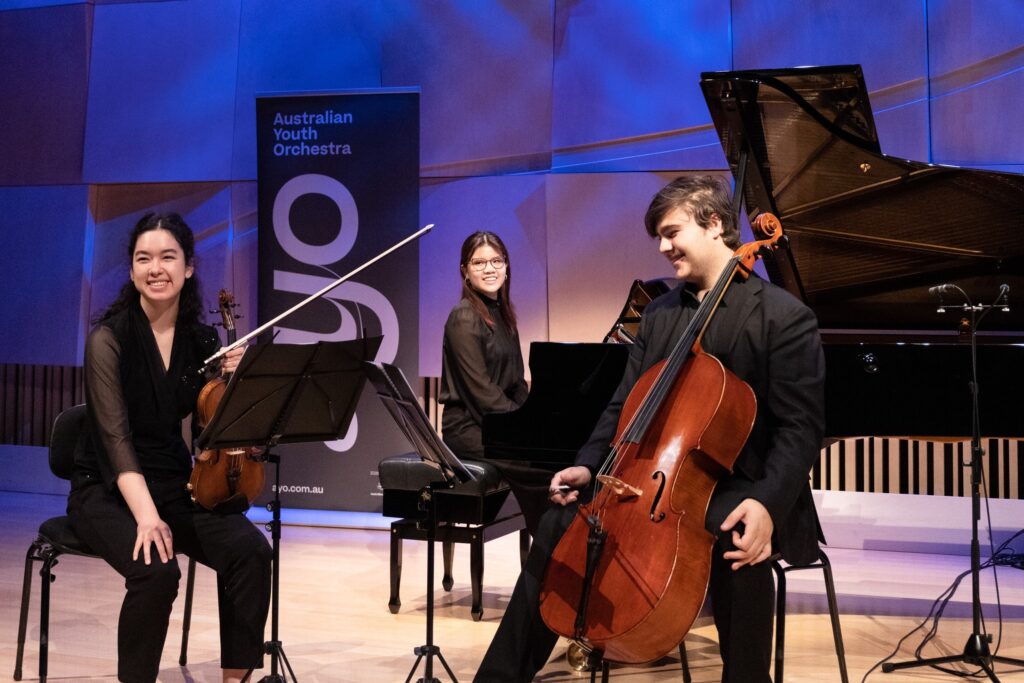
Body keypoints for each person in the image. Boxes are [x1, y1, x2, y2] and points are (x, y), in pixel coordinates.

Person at [474, 176, 826, 683]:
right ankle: (500, 677)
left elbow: (801, 428)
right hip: (658, 483)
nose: (662, 247)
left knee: (736, 544)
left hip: (746, 485)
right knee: (559, 524)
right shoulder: (660, 315)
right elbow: (622, 406)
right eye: (658, 236)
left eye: (671, 232)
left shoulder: (784, 316)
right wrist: (588, 464)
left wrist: (769, 503)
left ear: (715, 224)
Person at [67, 213, 272, 683]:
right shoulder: (108, 339)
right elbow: (114, 439)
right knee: (157, 573)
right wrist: (145, 515)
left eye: (167, 257)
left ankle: (235, 678)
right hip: (106, 489)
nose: (155, 268)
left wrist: (237, 383)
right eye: (144, 258)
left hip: (173, 483)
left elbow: (217, 433)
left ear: (189, 268)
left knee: (249, 549)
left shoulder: (203, 341)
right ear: (132, 269)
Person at [439, 231, 552, 533]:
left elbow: (517, 384)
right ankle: (548, 548)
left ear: (506, 266)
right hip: (467, 427)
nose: (489, 269)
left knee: (555, 455)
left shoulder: (503, 315)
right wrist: (521, 430)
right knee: (539, 468)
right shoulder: (463, 317)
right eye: (479, 263)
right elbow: (481, 393)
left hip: (497, 422)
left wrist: (537, 421)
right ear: (465, 270)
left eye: (496, 261)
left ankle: (553, 545)